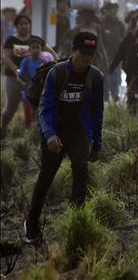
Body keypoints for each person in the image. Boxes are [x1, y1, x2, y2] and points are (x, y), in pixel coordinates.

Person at [25, 31, 104, 245]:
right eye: (83, 53)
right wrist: (50, 135)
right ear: (73, 51)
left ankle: (76, 221)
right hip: (55, 130)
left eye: (91, 54)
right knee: (46, 177)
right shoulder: (57, 73)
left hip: (78, 131)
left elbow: (98, 112)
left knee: (81, 169)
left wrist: (97, 143)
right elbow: (44, 109)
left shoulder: (95, 77)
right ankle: (31, 224)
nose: (87, 58)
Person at [2, 15, 55, 132]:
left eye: (26, 23)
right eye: (21, 24)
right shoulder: (11, 40)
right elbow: (5, 57)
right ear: (16, 26)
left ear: (29, 25)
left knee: (36, 106)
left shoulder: (36, 40)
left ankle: (35, 132)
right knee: (11, 107)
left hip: (33, 81)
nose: (24, 26)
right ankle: (3, 128)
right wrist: (16, 70)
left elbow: (51, 52)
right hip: (13, 78)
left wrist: (56, 63)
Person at [100, 0, 126, 102]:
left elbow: (124, 41)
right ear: (107, 10)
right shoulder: (102, 23)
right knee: (105, 81)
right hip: (104, 58)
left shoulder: (120, 24)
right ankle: (105, 102)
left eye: (115, 8)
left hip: (116, 58)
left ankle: (115, 101)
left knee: (116, 80)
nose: (113, 11)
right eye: (111, 8)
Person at [18, 37, 47, 127]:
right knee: (27, 110)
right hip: (27, 90)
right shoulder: (25, 62)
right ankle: (28, 129)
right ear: (30, 50)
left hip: (39, 92)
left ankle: (36, 130)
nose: (35, 50)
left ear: (41, 49)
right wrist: (23, 82)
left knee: (37, 111)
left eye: (37, 47)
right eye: (33, 47)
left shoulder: (44, 62)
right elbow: (21, 75)